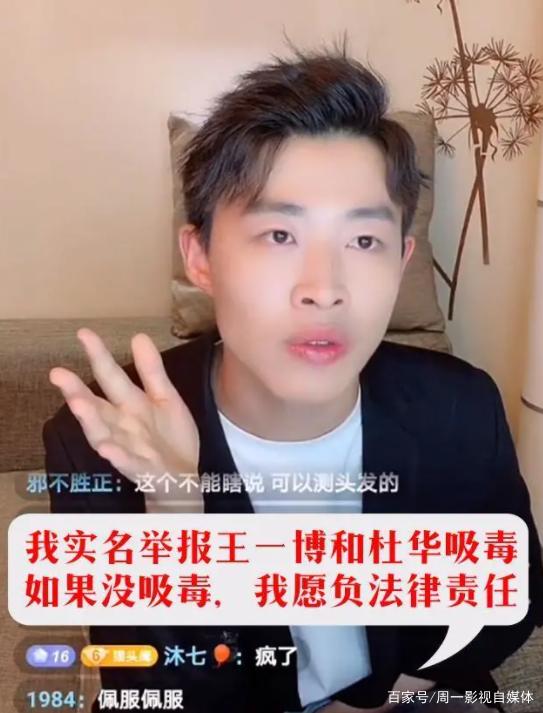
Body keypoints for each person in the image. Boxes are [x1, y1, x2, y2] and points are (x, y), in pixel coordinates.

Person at [43, 42, 543, 713]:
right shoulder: (104, 440)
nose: (323, 288)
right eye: (279, 235)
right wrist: (178, 518)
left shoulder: (458, 406)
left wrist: (387, 694)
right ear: (200, 256)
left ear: (400, 261)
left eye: (362, 241)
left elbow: (510, 600)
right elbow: (154, 693)